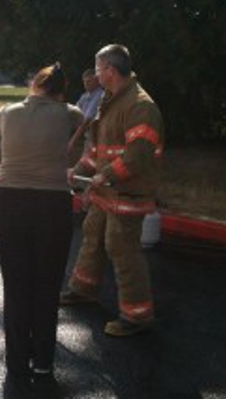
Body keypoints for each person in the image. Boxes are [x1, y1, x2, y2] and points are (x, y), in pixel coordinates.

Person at [0, 63, 83, 398]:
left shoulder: (8, 112)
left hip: (8, 201)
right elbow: (83, 123)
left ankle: (16, 366)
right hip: (52, 206)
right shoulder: (68, 113)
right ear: (60, 89)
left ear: (34, 84)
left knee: (16, 284)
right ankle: (43, 365)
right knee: (46, 285)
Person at [60, 44, 164, 337]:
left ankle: (137, 316)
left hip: (128, 193)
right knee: (92, 239)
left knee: (122, 249)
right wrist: (79, 171)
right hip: (106, 192)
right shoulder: (110, 100)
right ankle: (83, 290)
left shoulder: (140, 106)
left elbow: (138, 155)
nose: (94, 74)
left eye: (97, 68)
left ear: (110, 70)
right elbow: (98, 148)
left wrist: (103, 175)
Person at [67, 69, 103, 156]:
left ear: (97, 80)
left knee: (85, 164)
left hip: (97, 138)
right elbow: (73, 113)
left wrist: (71, 142)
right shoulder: (85, 96)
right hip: (88, 136)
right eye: (84, 81)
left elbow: (86, 122)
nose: (86, 84)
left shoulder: (99, 95)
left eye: (89, 81)